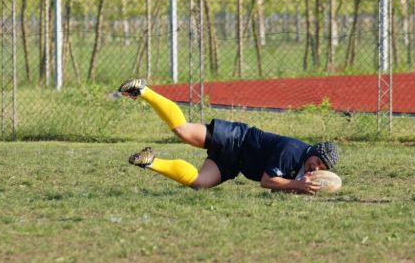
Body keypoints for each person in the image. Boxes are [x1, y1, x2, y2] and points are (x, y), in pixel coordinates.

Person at [118, 78, 340, 195]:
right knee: (183, 131)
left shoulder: (304, 166)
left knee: (199, 183)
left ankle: (150, 161)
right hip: (236, 138)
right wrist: (297, 186)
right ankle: (144, 90)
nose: (317, 168)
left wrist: (298, 188)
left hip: (235, 162)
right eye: (318, 162)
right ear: (314, 151)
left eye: (323, 168)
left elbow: (277, 188)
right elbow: (268, 182)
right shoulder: (292, 151)